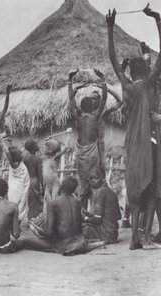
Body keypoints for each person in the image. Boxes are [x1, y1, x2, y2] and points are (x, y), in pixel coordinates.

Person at [107, 6, 161, 249]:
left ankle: (134, 239)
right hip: (148, 142)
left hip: (131, 143)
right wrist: (158, 20)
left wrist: (110, 28)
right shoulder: (147, 84)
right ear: (146, 71)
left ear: (130, 71)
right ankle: (146, 237)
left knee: (136, 188)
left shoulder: (127, 86)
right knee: (153, 188)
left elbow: (113, 60)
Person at [24, 177, 105, 256]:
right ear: (74, 189)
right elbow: (78, 226)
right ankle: (87, 245)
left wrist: (36, 230)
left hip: (63, 245)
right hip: (80, 241)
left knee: (25, 241)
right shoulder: (78, 202)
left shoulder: (53, 203)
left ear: (61, 187)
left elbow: (49, 233)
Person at [69, 68, 107, 207]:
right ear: (92, 106)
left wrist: (70, 82)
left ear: (81, 107)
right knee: (94, 180)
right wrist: (102, 79)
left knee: (84, 181)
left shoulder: (78, 117)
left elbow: (71, 100)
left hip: (80, 152)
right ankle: (94, 210)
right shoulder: (95, 117)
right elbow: (104, 99)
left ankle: (83, 211)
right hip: (92, 153)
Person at [0, 135, 29, 222]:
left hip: (21, 189)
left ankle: (16, 223)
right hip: (16, 190)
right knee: (17, 206)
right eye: (19, 154)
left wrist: (8, 143)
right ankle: (14, 224)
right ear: (15, 158)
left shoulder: (19, 162)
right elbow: (8, 153)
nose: (21, 153)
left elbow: (17, 151)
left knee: (21, 206)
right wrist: (3, 143)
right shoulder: (15, 165)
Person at [82, 169, 121, 244]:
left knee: (79, 228)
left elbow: (97, 220)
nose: (92, 181)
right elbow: (119, 216)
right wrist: (88, 214)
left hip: (105, 234)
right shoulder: (110, 191)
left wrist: (85, 218)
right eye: (90, 179)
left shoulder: (100, 192)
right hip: (114, 233)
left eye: (95, 178)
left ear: (103, 178)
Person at [23, 138, 43, 220]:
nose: (38, 145)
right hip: (35, 181)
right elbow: (39, 173)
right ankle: (35, 217)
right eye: (36, 144)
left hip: (27, 181)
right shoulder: (38, 158)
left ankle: (30, 216)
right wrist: (42, 185)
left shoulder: (25, 158)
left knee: (30, 200)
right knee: (37, 200)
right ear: (33, 147)